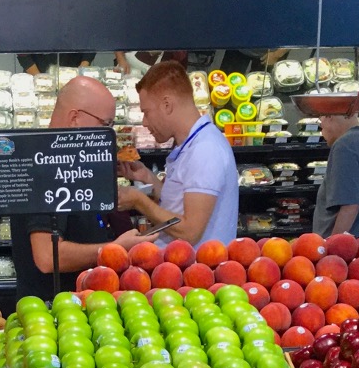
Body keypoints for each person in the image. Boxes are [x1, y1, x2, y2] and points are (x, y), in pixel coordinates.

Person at [14, 76, 154, 301]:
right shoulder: (43, 165)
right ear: (75, 119)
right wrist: (115, 248)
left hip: (82, 307)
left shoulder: (72, 162)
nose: (110, 134)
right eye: (105, 124)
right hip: (54, 314)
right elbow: (47, 257)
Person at [117, 61, 238, 246]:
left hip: (193, 272)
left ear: (167, 105)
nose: (144, 122)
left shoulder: (205, 150)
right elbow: (180, 204)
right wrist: (148, 178)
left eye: (146, 112)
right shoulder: (194, 144)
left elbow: (190, 231)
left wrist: (138, 201)